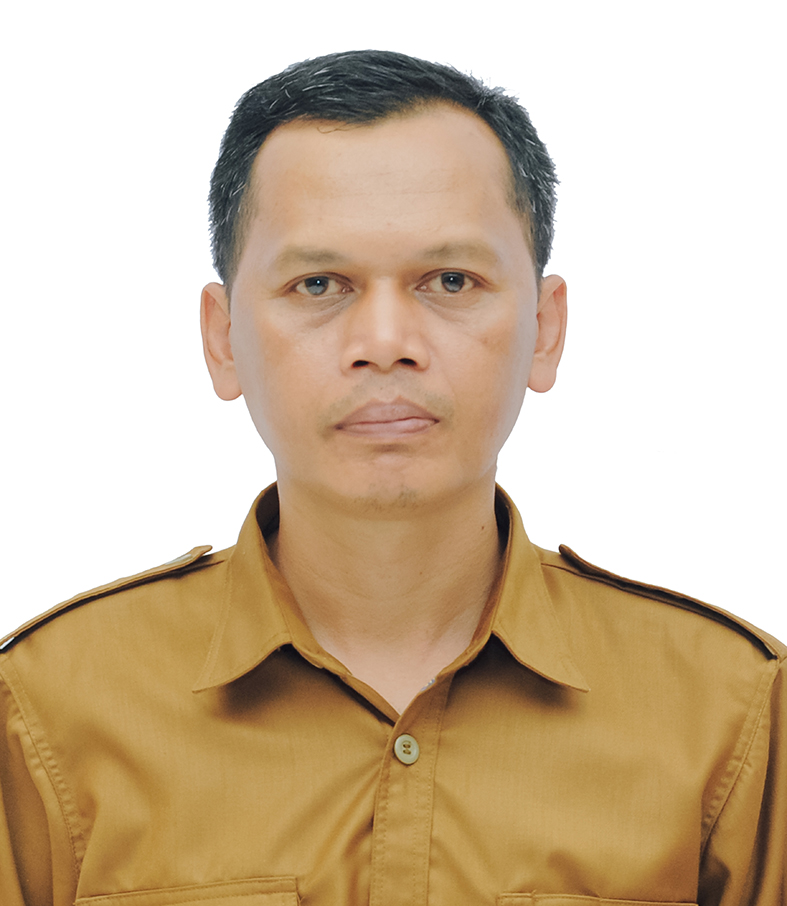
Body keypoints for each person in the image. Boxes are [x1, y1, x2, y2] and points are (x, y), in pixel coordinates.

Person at [0, 49, 784, 906]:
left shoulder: (733, 711)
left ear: (544, 327)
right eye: (318, 284)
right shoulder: (43, 707)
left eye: (449, 280)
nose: (384, 343)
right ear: (222, 339)